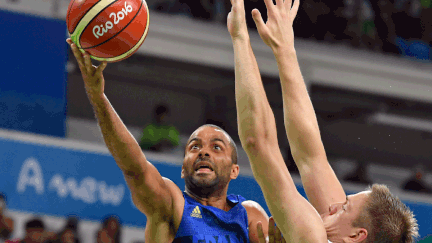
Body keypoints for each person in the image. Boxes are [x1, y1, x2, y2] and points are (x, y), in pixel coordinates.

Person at [228, 0, 419, 241]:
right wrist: (284, 49)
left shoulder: (315, 237)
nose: (333, 206)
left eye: (344, 207)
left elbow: (259, 144)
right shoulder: (342, 232)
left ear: (356, 235)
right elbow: (311, 156)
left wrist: (240, 38)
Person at [65, 38, 270, 242]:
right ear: (183, 168)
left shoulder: (249, 215)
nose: (203, 152)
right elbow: (135, 168)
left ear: (235, 170)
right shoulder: (172, 203)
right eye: (194, 146)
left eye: (216, 147)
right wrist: (98, 98)